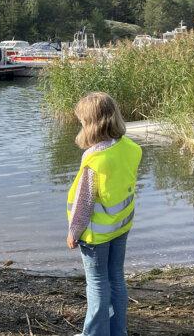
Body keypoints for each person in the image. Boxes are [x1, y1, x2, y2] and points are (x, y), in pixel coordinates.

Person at [66, 92, 142, 336]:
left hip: (95, 234)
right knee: (116, 278)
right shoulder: (130, 147)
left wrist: (73, 233)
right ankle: (118, 331)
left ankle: (95, 333)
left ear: (91, 124)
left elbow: (84, 202)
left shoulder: (94, 158)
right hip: (121, 226)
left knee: (97, 284)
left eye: (82, 122)